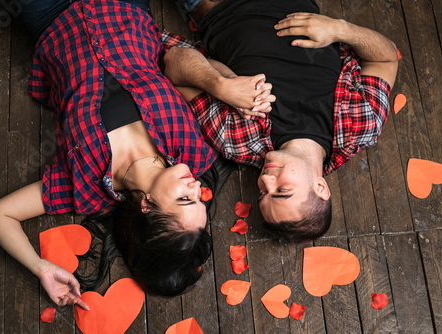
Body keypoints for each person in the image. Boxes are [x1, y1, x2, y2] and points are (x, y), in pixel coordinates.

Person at [0, 0, 273, 307]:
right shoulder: (193, 152)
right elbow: (181, 71)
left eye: (185, 199)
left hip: (51, 16)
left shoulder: (85, 188)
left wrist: (41, 267)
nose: (197, 186)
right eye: (199, 198)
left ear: (147, 205)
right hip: (125, 8)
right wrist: (223, 86)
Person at [163, 0, 398, 243]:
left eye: (263, 193)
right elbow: (386, 59)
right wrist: (340, 29)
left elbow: (174, 61)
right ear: (320, 188)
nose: (264, 180)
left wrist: (222, 85)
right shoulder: (361, 125)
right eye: (282, 191)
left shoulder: (238, 142)